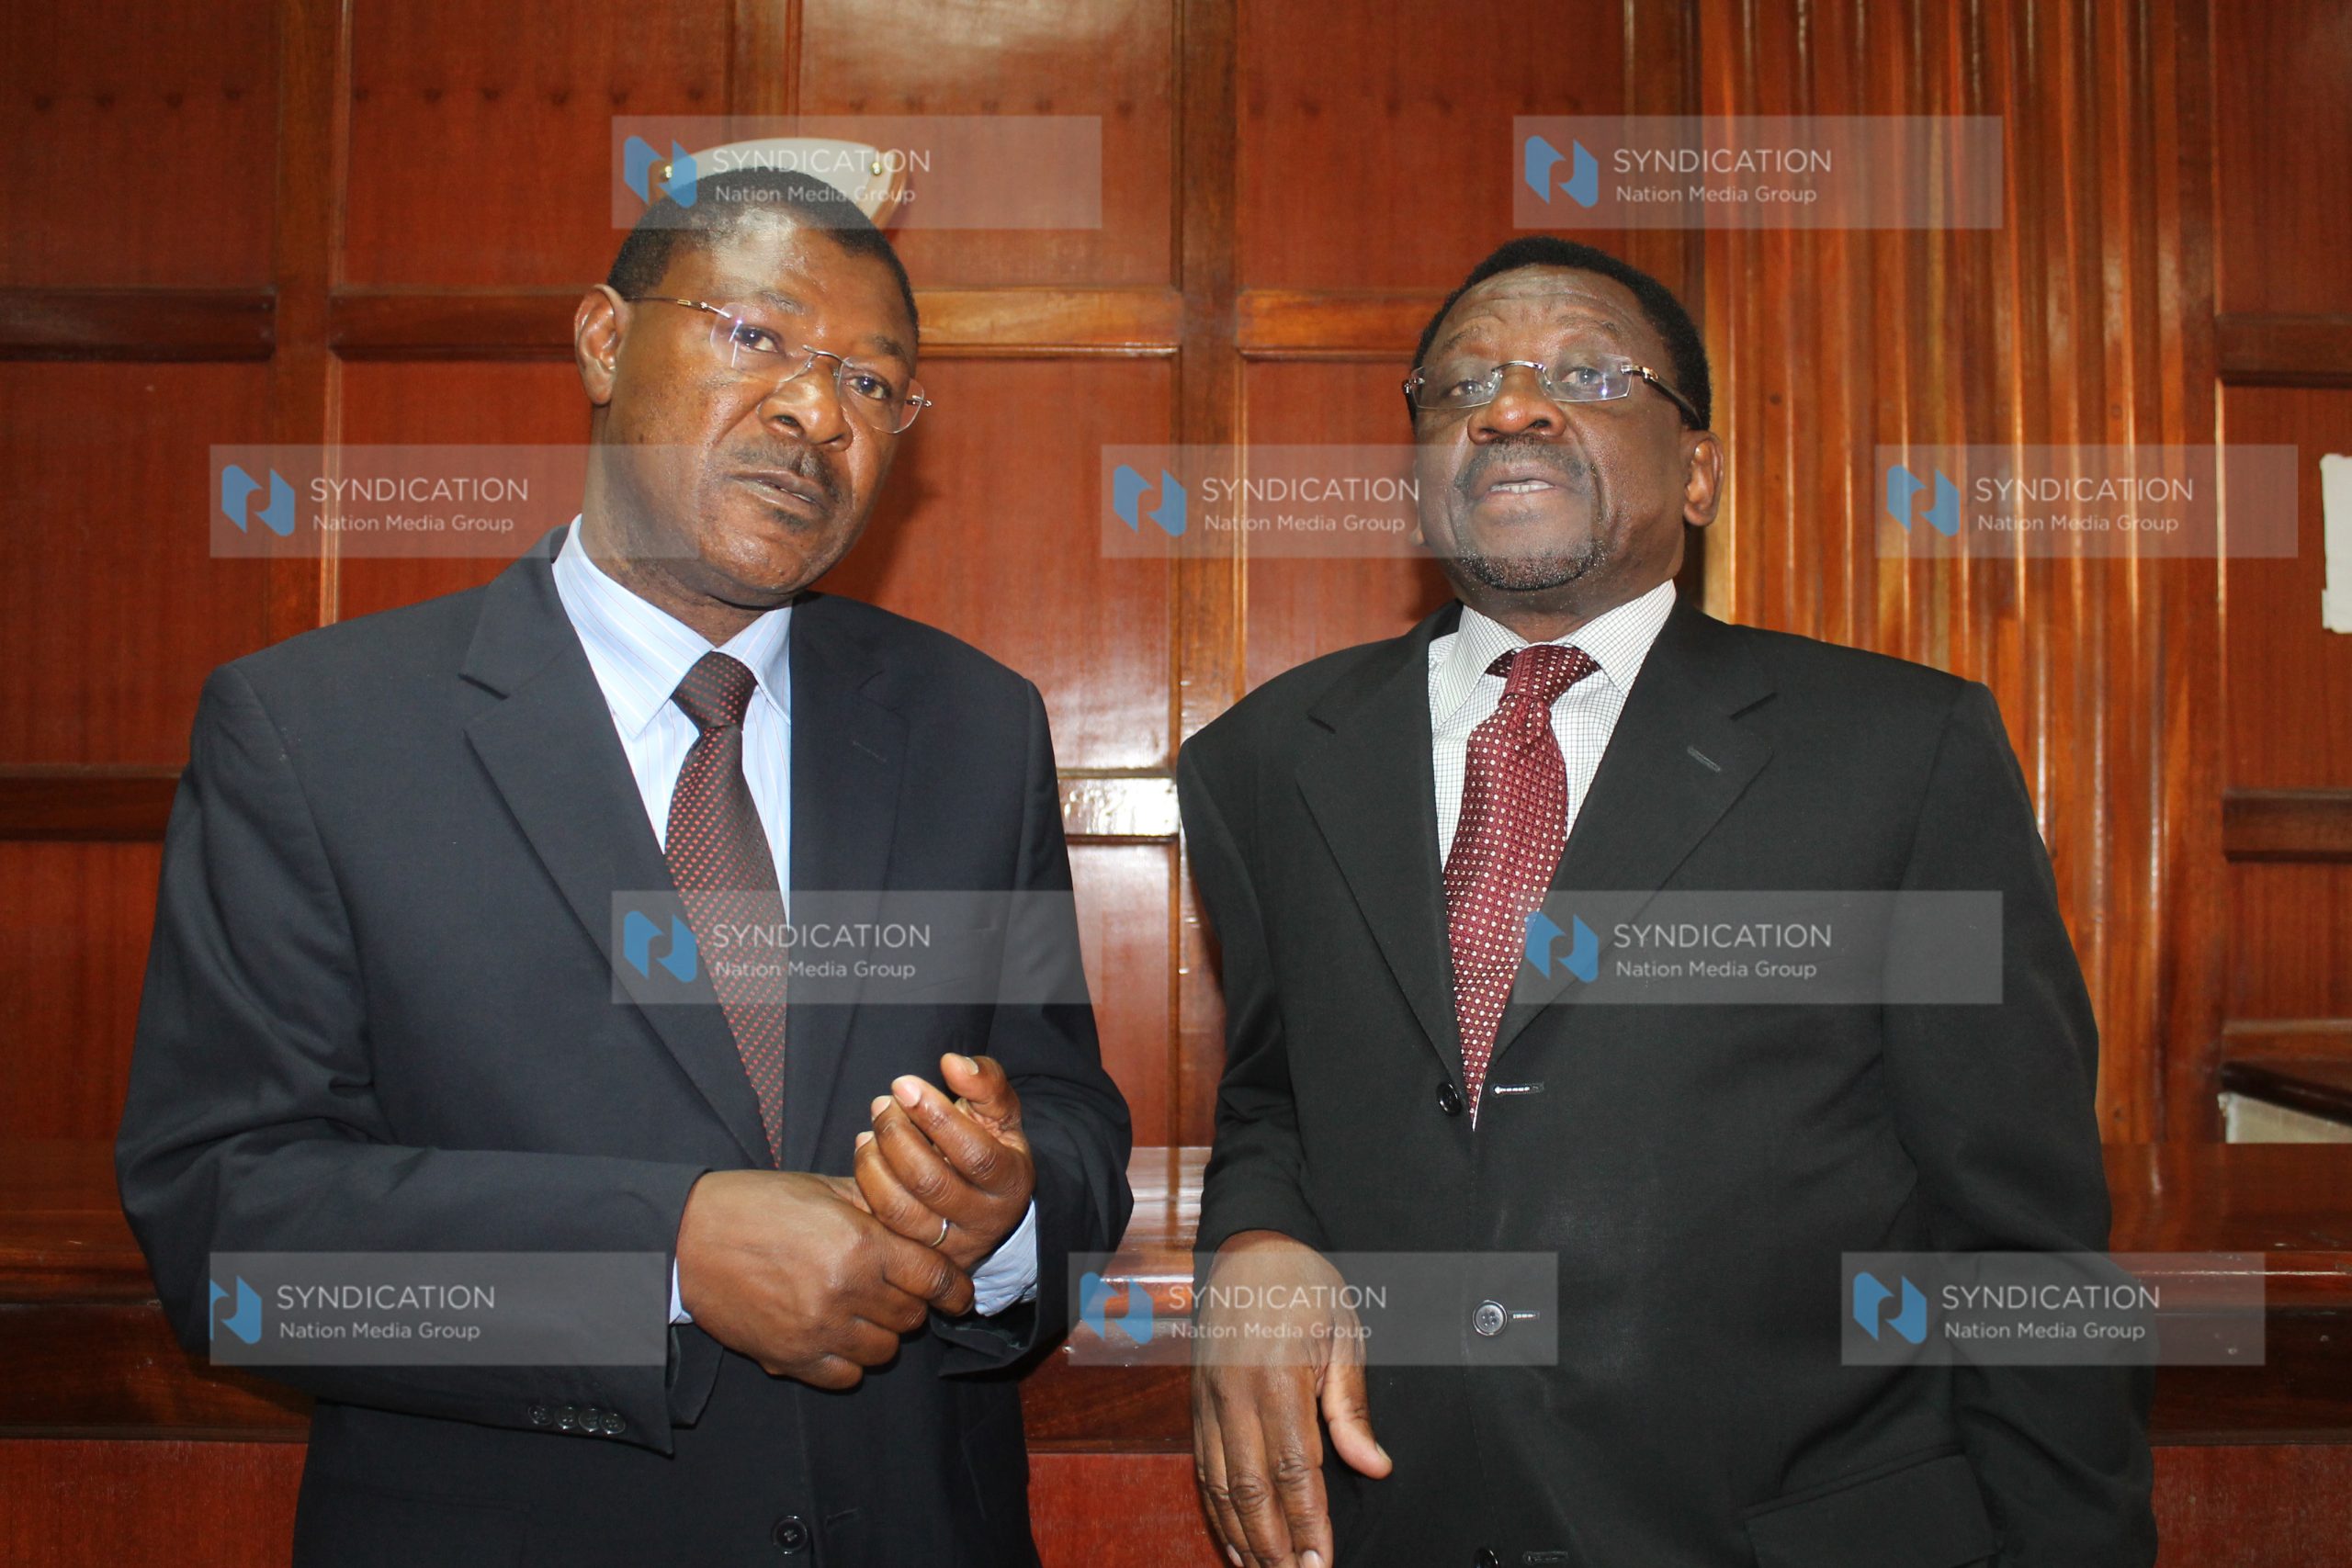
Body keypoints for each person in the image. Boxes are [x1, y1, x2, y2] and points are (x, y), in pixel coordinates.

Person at [116, 167, 1132, 1567]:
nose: (815, 412)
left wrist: (1003, 1214)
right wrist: (665, 1256)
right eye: (755, 336)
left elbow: (1072, 1112)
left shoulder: (973, 725)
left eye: (873, 382)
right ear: (602, 340)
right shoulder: (316, 733)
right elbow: (234, 1250)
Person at [1177, 236, 2154, 1568]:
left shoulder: (1901, 750)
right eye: (1459, 388)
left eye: (1586, 371)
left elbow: (2022, 1245)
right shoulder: (1263, 761)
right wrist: (1256, 1237)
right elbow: (1273, 1098)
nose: (1511, 406)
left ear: (1698, 472)